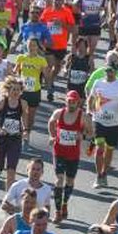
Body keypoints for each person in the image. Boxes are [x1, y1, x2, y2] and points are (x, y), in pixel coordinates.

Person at [87, 64, 118, 189]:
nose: (109, 73)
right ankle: (98, 176)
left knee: (109, 150)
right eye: (107, 71)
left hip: (113, 123)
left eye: (111, 71)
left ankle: (104, 173)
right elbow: (91, 97)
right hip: (99, 120)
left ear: (116, 72)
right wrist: (90, 109)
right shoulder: (98, 82)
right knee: (100, 148)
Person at [47, 91, 86, 222]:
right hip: (59, 151)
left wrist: (83, 136)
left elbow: (91, 131)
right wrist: (52, 136)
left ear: (78, 102)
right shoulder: (59, 113)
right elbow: (51, 122)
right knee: (59, 180)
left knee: (70, 181)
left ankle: (65, 204)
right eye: (69, 101)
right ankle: (57, 212)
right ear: (66, 101)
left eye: (74, 101)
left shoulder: (82, 116)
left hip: (73, 154)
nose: (71, 103)